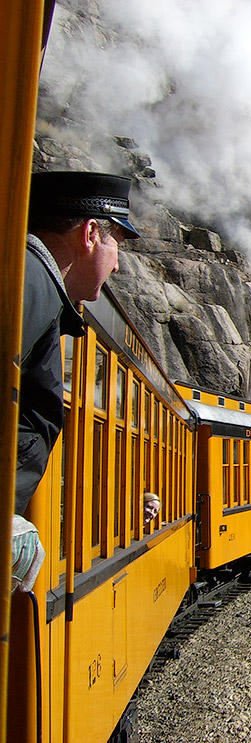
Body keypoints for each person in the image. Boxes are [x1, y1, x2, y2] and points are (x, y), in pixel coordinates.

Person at [12, 171, 139, 591]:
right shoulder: (31, 284)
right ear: (90, 234)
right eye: (116, 242)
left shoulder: (36, 285)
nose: (117, 263)